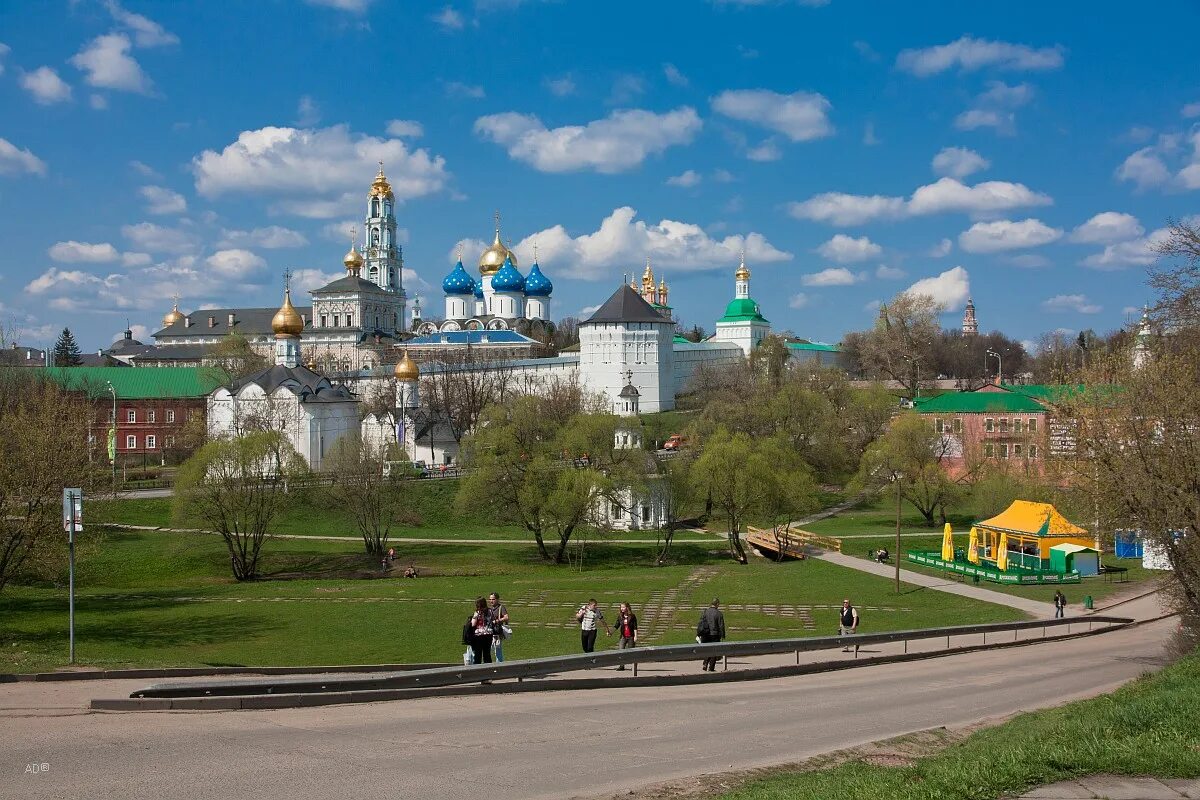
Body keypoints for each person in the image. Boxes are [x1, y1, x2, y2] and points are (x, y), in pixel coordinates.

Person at [696, 598, 726, 671]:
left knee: (707, 650)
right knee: (714, 652)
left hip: (705, 634)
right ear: (717, 604)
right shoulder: (718, 613)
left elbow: (700, 623)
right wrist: (723, 635)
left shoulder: (705, 612)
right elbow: (721, 626)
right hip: (714, 635)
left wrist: (699, 633)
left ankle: (705, 663)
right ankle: (711, 668)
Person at [467, 596, 494, 667]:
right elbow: (492, 621)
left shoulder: (477, 612)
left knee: (478, 655)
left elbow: (473, 624)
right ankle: (489, 670)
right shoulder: (490, 611)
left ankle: (477, 671)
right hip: (489, 634)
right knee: (487, 654)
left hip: (479, 635)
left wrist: (474, 617)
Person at [614, 602, 638, 670]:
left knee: (631, 652)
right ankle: (621, 666)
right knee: (621, 650)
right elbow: (616, 625)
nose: (622, 609)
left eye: (623, 607)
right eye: (621, 607)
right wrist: (611, 632)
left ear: (627, 608)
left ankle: (634, 666)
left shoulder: (632, 616)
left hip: (631, 636)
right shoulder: (620, 616)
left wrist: (636, 636)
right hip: (623, 636)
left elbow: (635, 627)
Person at [488, 592, 510, 662]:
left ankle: (499, 667)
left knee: (498, 652)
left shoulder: (501, 607)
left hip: (497, 633)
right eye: (490, 599)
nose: (491, 601)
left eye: (493, 599)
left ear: (497, 599)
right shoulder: (490, 609)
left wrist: (497, 621)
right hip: (490, 632)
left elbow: (506, 617)